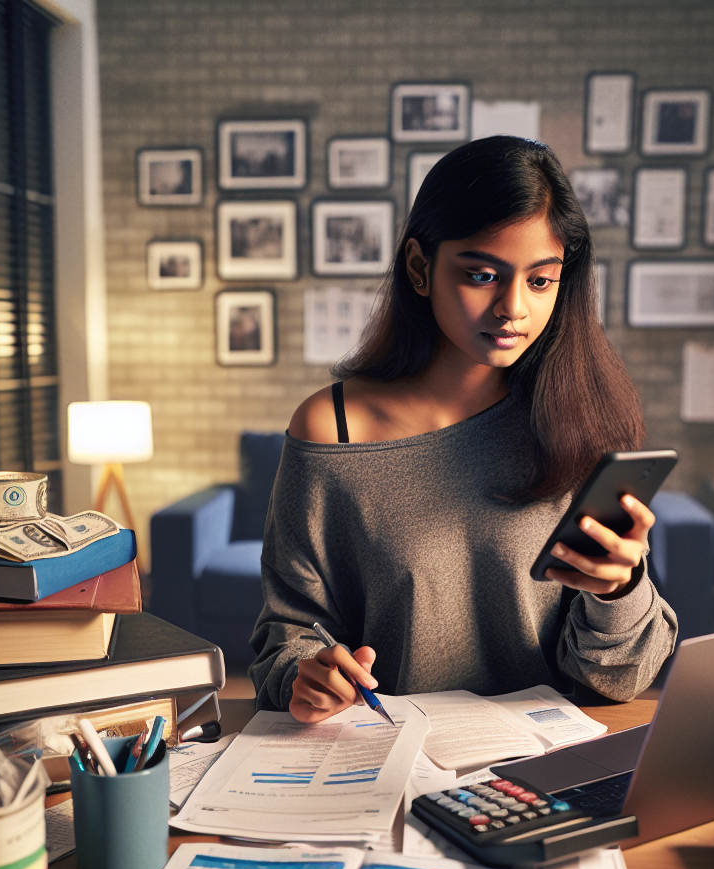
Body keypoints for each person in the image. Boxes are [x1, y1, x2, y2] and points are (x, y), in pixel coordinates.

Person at [250, 136, 677, 723]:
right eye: (482, 275)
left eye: (540, 281)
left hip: (541, 760)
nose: (513, 308)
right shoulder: (332, 429)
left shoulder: (581, 425)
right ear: (420, 269)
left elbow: (617, 679)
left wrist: (619, 591)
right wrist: (311, 673)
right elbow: (288, 637)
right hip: (382, 755)